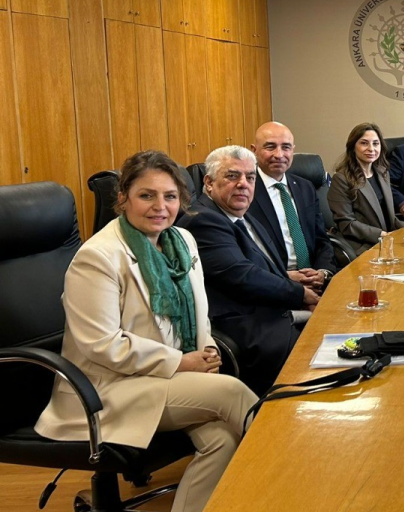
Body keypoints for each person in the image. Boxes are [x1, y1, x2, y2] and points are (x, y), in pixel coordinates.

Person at [35, 150, 258, 512]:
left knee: (222, 439)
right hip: (108, 388)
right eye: (146, 195)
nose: (160, 207)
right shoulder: (98, 257)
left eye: (170, 196)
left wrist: (206, 350)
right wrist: (182, 362)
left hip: (166, 377)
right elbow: (103, 345)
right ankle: (293, 474)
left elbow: (198, 311)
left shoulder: (182, 241)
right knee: (231, 393)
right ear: (123, 198)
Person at [177, 146, 315, 395]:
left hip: (271, 311)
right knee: (323, 353)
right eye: (232, 176)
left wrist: (288, 278)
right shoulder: (202, 220)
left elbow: (256, 265)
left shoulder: (241, 214)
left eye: (250, 177)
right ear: (209, 183)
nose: (243, 184)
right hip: (248, 326)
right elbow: (242, 275)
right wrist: (300, 294)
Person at [247, 122, 337, 294]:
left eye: (286, 147)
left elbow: (321, 239)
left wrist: (322, 272)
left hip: (315, 280)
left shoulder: (305, 187)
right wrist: (284, 277)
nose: (279, 155)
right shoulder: (245, 191)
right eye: (270, 147)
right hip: (273, 284)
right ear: (254, 150)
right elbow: (247, 253)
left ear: (293, 150)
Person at [328, 122, 404, 256]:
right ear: (353, 147)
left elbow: (389, 216)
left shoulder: (383, 173)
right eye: (364, 143)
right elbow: (347, 224)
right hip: (363, 247)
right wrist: (382, 235)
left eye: (376, 143)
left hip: (388, 241)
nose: (371, 149)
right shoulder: (341, 179)